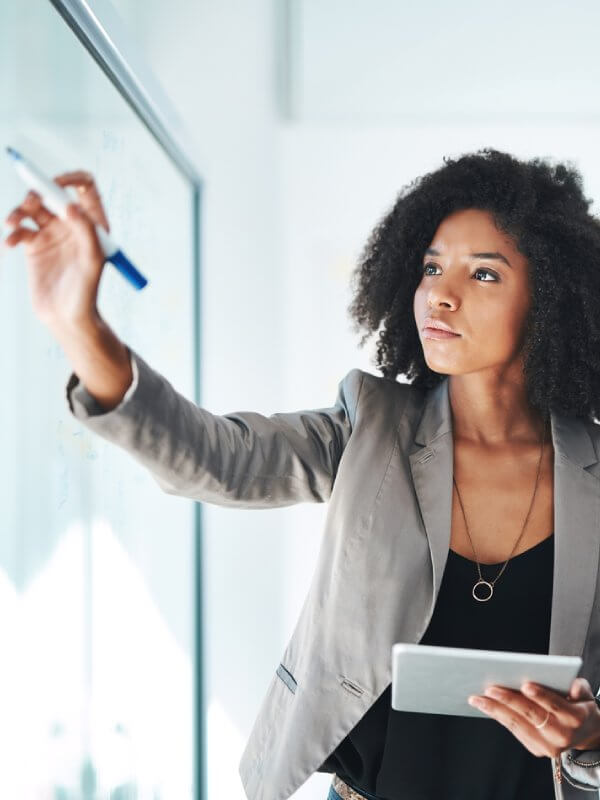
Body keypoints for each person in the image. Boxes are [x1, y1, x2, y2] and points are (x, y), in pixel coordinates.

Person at [5, 147, 600, 800]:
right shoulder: (370, 424)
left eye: (484, 275)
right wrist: (79, 325)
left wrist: (591, 738)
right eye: (432, 267)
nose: (441, 295)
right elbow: (217, 457)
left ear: (551, 299)